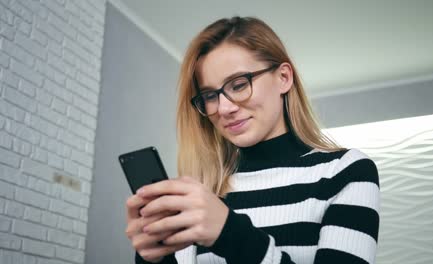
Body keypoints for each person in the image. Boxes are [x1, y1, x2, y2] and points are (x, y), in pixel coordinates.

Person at [125, 16, 380, 264]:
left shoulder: (346, 171)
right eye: (210, 96)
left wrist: (229, 233)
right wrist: (154, 258)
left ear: (284, 78)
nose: (224, 108)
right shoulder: (202, 192)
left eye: (238, 84)